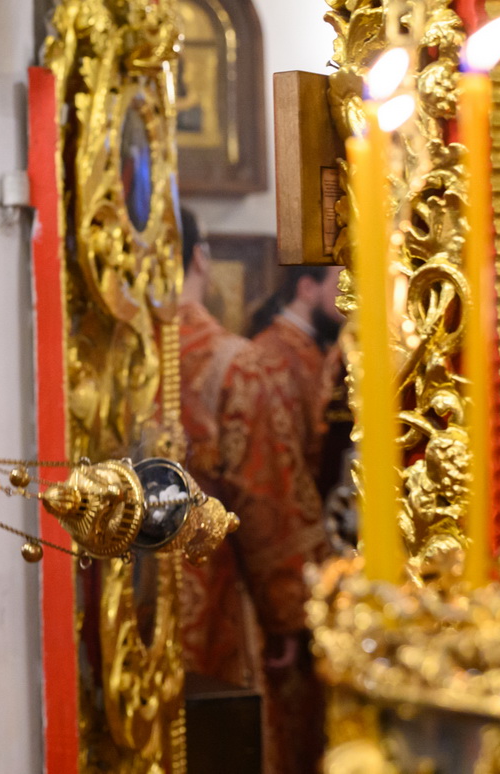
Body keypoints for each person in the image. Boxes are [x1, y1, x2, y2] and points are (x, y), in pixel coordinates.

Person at [174, 208, 328, 774]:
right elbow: (269, 506)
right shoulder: (235, 365)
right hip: (215, 599)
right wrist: (291, 616)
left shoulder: (101, 364)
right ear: (200, 258)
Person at [249, 266, 345, 494]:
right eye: (342, 287)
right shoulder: (271, 352)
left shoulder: (313, 346)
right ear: (308, 288)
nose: (350, 302)